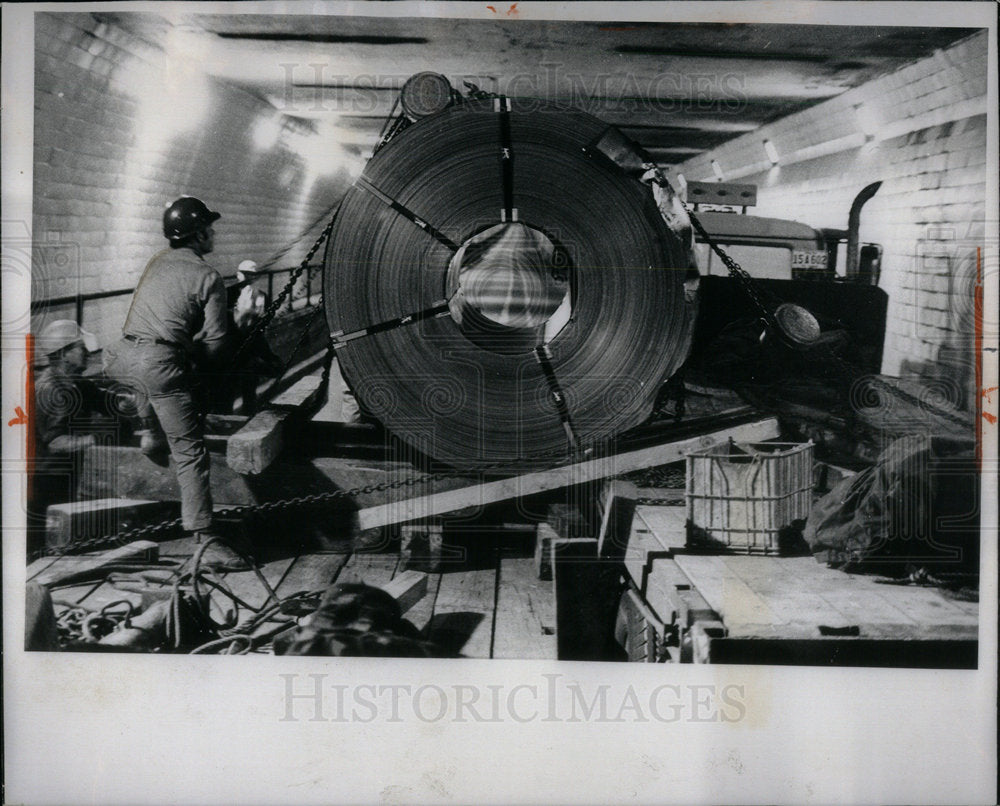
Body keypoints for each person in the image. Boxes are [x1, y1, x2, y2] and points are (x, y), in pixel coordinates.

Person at [102, 196, 247, 569]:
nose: (213, 233)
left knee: (149, 380)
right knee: (190, 452)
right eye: (209, 228)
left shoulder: (156, 260)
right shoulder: (209, 276)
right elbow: (216, 346)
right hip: (157, 364)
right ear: (198, 235)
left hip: (118, 357)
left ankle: (149, 430)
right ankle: (205, 539)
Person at [30, 320, 103, 553]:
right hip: (48, 481)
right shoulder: (51, 388)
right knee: (48, 546)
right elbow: (55, 442)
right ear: (63, 354)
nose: (88, 353)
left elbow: (110, 401)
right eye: (81, 348)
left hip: (70, 476)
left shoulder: (77, 384)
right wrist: (95, 441)